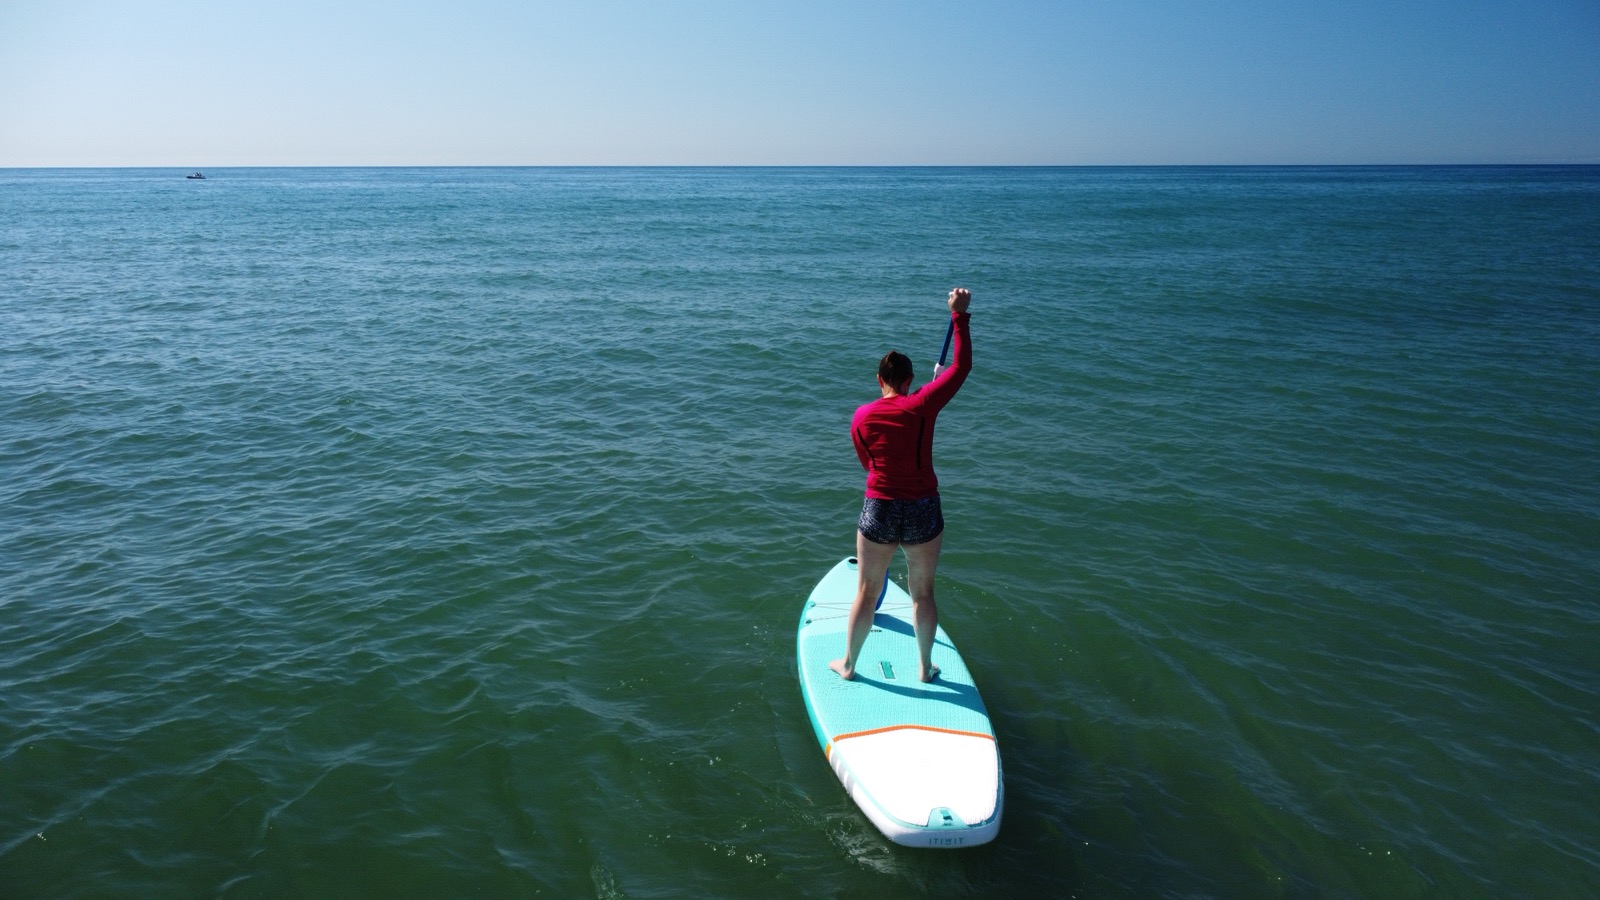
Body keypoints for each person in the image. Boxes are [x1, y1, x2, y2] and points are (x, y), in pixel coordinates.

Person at [830, 288, 972, 683]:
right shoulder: (923, 403)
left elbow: (868, 464)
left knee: (866, 591)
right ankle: (925, 668)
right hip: (924, 508)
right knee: (923, 592)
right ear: (909, 380)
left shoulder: (861, 416)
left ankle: (848, 666)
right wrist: (959, 316)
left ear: (880, 380)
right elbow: (961, 367)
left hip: (879, 506)